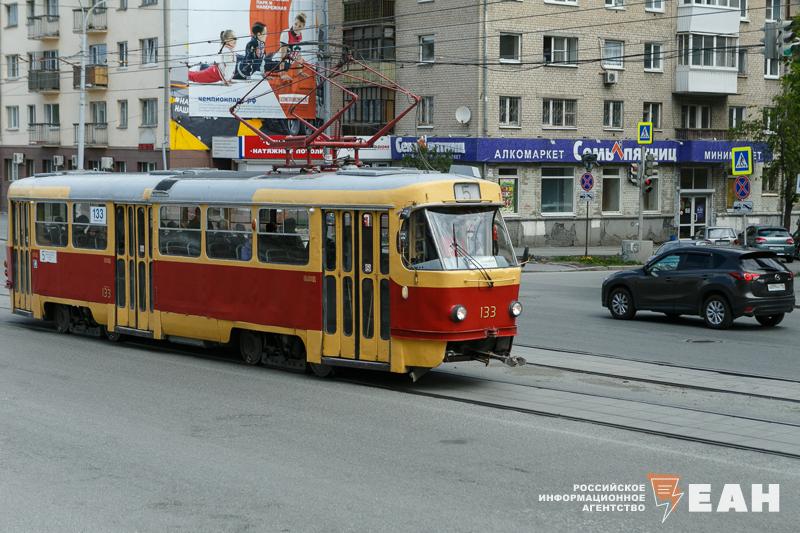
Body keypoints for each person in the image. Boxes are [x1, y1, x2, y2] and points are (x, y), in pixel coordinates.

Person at [277, 13, 307, 80]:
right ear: (293, 22)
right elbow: (282, 55)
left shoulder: (300, 36)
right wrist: (282, 74)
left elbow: (298, 55)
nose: (296, 27)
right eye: (295, 24)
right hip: (277, 64)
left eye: (299, 26)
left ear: (303, 27)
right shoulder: (286, 33)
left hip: (288, 64)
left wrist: (300, 71)